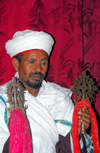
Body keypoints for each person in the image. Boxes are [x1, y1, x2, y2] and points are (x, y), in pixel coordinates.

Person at [0, 29, 93, 153]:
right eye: (31, 62)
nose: (38, 68)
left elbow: (69, 146)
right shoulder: (3, 99)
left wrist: (76, 132)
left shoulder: (60, 98)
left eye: (43, 62)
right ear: (17, 64)